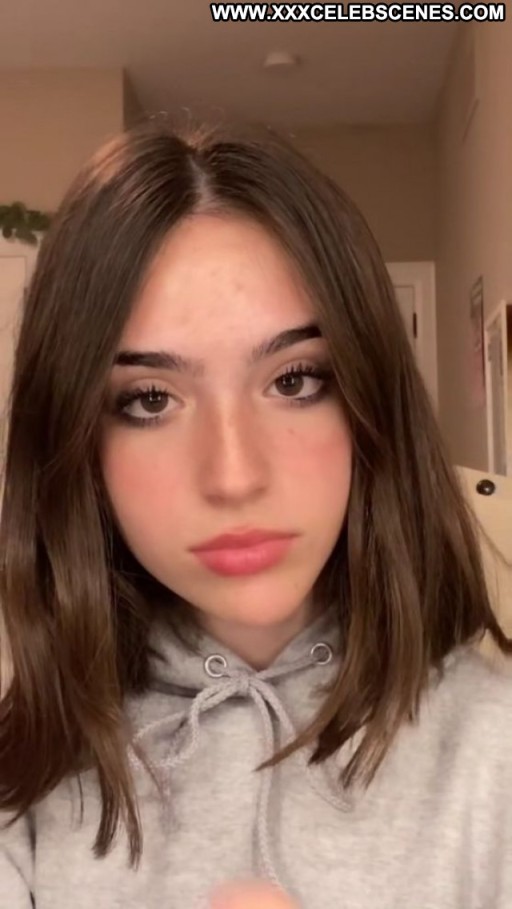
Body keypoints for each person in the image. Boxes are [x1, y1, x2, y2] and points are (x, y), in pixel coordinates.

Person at [0, 121, 511, 909]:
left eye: (295, 380)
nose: (234, 476)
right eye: (150, 399)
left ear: (370, 403)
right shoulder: (28, 774)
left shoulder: (493, 749)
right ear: (77, 442)